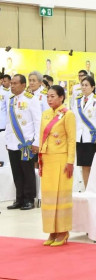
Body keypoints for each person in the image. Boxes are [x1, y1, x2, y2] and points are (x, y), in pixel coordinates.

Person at [39, 85, 76, 246]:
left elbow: (71, 140)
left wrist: (70, 161)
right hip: (47, 158)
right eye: (48, 96)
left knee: (61, 196)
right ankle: (52, 231)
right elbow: (41, 137)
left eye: (53, 96)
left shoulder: (68, 115)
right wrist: (39, 156)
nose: (49, 99)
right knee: (48, 195)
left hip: (62, 159)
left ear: (61, 97)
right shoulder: (45, 114)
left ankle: (63, 231)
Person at [5, 74, 41, 210]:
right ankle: (19, 199)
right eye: (11, 83)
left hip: (26, 143)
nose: (12, 86)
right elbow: (9, 123)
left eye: (15, 83)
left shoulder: (32, 99)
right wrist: (8, 141)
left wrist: (36, 142)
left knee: (27, 172)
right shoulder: (11, 100)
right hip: (13, 143)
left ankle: (29, 199)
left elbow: (38, 122)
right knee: (16, 172)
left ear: (23, 85)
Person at [73, 76, 96, 188]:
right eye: (82, 85)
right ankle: (87, 189)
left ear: (92, 87)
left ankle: (95, 188)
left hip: (91, 137)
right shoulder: (77, 100)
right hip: (80, 137)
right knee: (83, 165)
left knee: (92, 165)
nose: (84, 87)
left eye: (86, 85)